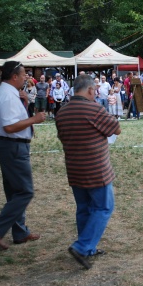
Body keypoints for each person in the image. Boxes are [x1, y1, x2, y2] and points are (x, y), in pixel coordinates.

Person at [55, 74, 121, 269]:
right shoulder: (93, 108)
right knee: (103, 207)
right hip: (96, 169)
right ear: (91, 90)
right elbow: (116, 128)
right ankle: (82, 246)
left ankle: (88, 248)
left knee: (84, 208)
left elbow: (63, 137)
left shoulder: (62, 111)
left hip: (75, 168)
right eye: (96, 90)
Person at [0, 61, 46, 250]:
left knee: (14, 192)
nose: (26, 77)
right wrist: (34, 119)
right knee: (25, 191)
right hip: (13, 147)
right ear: (14, 76)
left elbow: (13, 120)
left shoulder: (9, 93)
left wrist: (24, 102)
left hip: (10, 146)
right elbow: (9, 127)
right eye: (24, 74)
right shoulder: (8, 96)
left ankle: (20, 232)